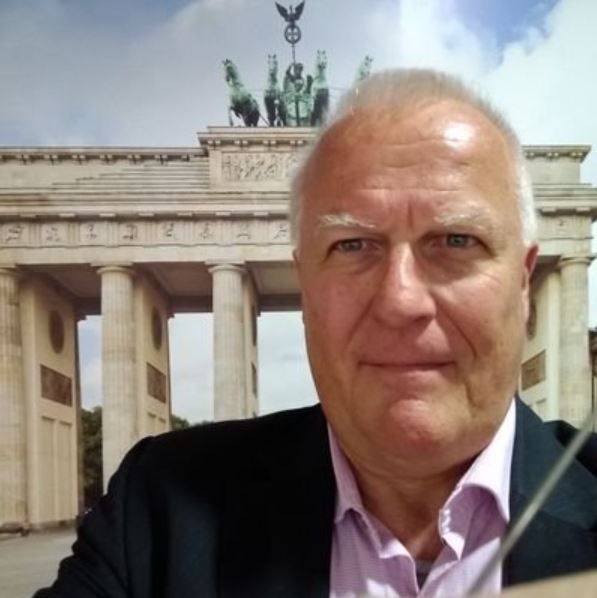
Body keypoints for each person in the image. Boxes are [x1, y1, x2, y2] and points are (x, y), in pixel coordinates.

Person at [36, 69, 597, 598]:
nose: (401, 301)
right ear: (305, 285)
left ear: (524, 282)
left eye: (456, 241)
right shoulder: (158, 509)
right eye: (353, 245)